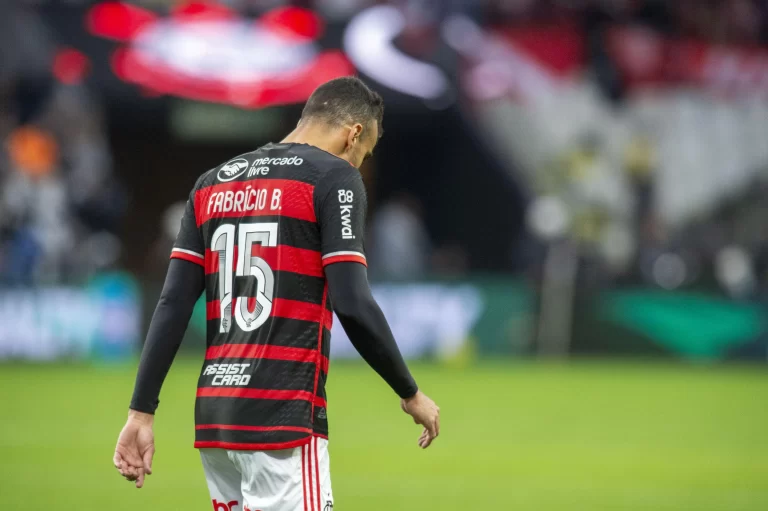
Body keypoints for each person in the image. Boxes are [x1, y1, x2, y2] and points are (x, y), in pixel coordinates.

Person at [112, 77, 440, 511]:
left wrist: (141, 413)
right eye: (366, 151)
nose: (360, 162)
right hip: (281, 417)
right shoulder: (334, 178)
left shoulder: (212, 182)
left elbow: (172, 303)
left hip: (217, 417)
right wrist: (410, 392)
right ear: (354, 133)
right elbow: (353, 302)